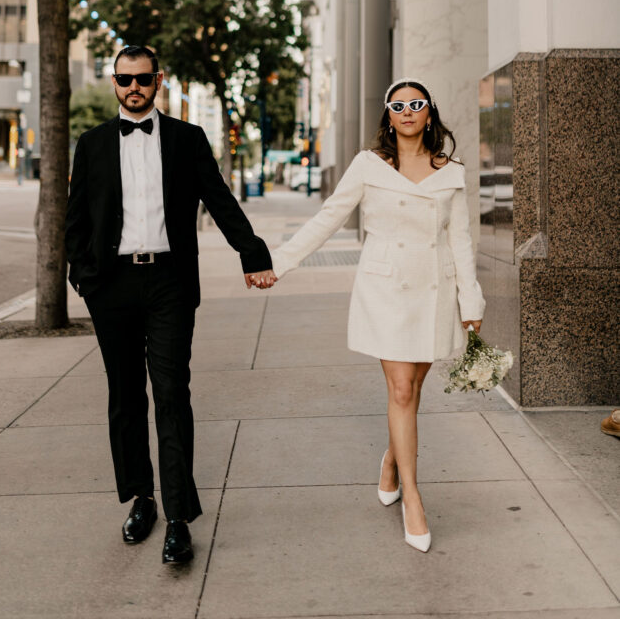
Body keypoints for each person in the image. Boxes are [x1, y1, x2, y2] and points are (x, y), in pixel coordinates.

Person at [253, 78, 485, 553]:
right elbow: (328, 217)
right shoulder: (368, 165)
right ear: (388, 114)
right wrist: (279, 262)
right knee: (401, 389)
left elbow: (460, 240)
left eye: (416, 104)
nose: (407, 111)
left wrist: (471, 301)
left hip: (434, 291)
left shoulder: (451, 171)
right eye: (397, 105)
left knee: (415, 387)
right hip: (386, 291)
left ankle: (393, 461)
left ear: (429, 112)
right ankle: (414, 499)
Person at [65, 45, 275, 565]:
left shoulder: (187, 139)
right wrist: (83, 277)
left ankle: (179, 517)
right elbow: (75, 219)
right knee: (125, 396)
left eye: (142, 79)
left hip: (169, 284)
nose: (133, 87)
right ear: (114, 83)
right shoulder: (91, 145)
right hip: (110, 286)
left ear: (158, 81)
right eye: (123, 79)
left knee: (171, 392)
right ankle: (142, 500)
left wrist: (253, 254)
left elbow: (219, 198)